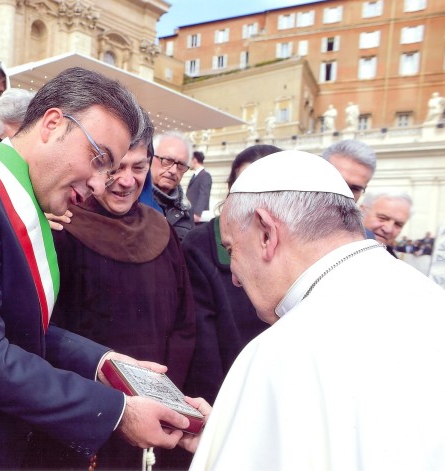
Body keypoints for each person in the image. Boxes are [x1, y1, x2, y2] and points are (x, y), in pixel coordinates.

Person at [0, 66, 190, 469]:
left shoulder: (15, 194)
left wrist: (103, 362)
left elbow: (16, 326)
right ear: (52, 124)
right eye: (99, 159)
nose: (100, 184)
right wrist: (117, 412)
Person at [182, 150, 445, 470]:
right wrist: (232, 433)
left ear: (266, 233)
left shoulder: (281, 350)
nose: (234, 277)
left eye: (231, 248)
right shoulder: (428, 297)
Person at [43, 110, 196, 469]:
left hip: (153, 412)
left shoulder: (162, 230)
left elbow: (184, 324)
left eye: (139, 168)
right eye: (115, 168)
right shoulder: (60, 227)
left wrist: (166, 398)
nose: (127, 181)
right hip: (84, 415)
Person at [181, 144, 281, 405]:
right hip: (227, 395)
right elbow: (203, 351)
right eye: (244, 189)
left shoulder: (296, 246)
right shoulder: (200, 246)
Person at [151, 131, 194, 240]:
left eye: (181, 165)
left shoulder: (186, 210)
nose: (173, 171)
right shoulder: (129, 199)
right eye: (167, 160)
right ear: (150, 157)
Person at [361, 191, 413, 256]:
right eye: (383, 218)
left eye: (398, 224)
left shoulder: (393, 262)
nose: (388, 229)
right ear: (361, 212)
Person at [186, 150, 212, 223]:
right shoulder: (195, 176)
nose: (189, 163)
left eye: (190, 160)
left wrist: (197, 213)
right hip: (191, 215)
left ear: (194, 160)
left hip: (197, 217)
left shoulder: (205, 175)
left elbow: (204, 194)